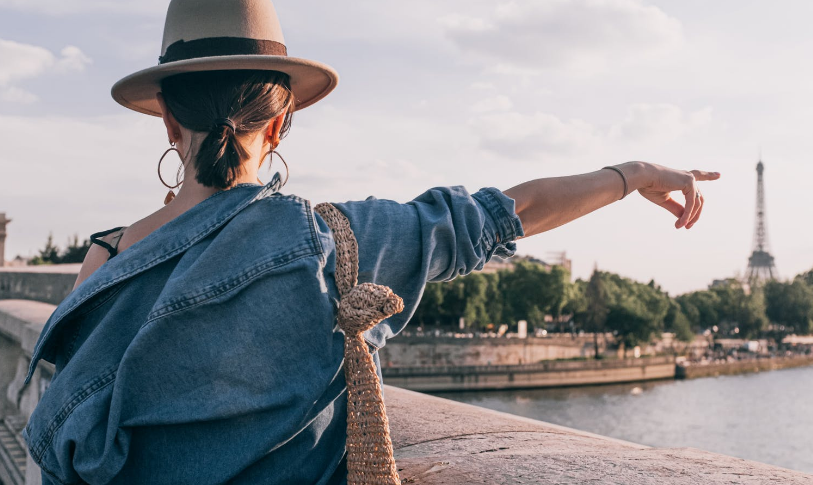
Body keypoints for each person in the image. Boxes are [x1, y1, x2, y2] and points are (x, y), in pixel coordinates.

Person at [22, 0, 720, 484]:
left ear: (167, 119)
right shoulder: (333, 244)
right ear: (283, 118)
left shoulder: (105, 260)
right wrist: (632, 174)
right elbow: (510, 212)